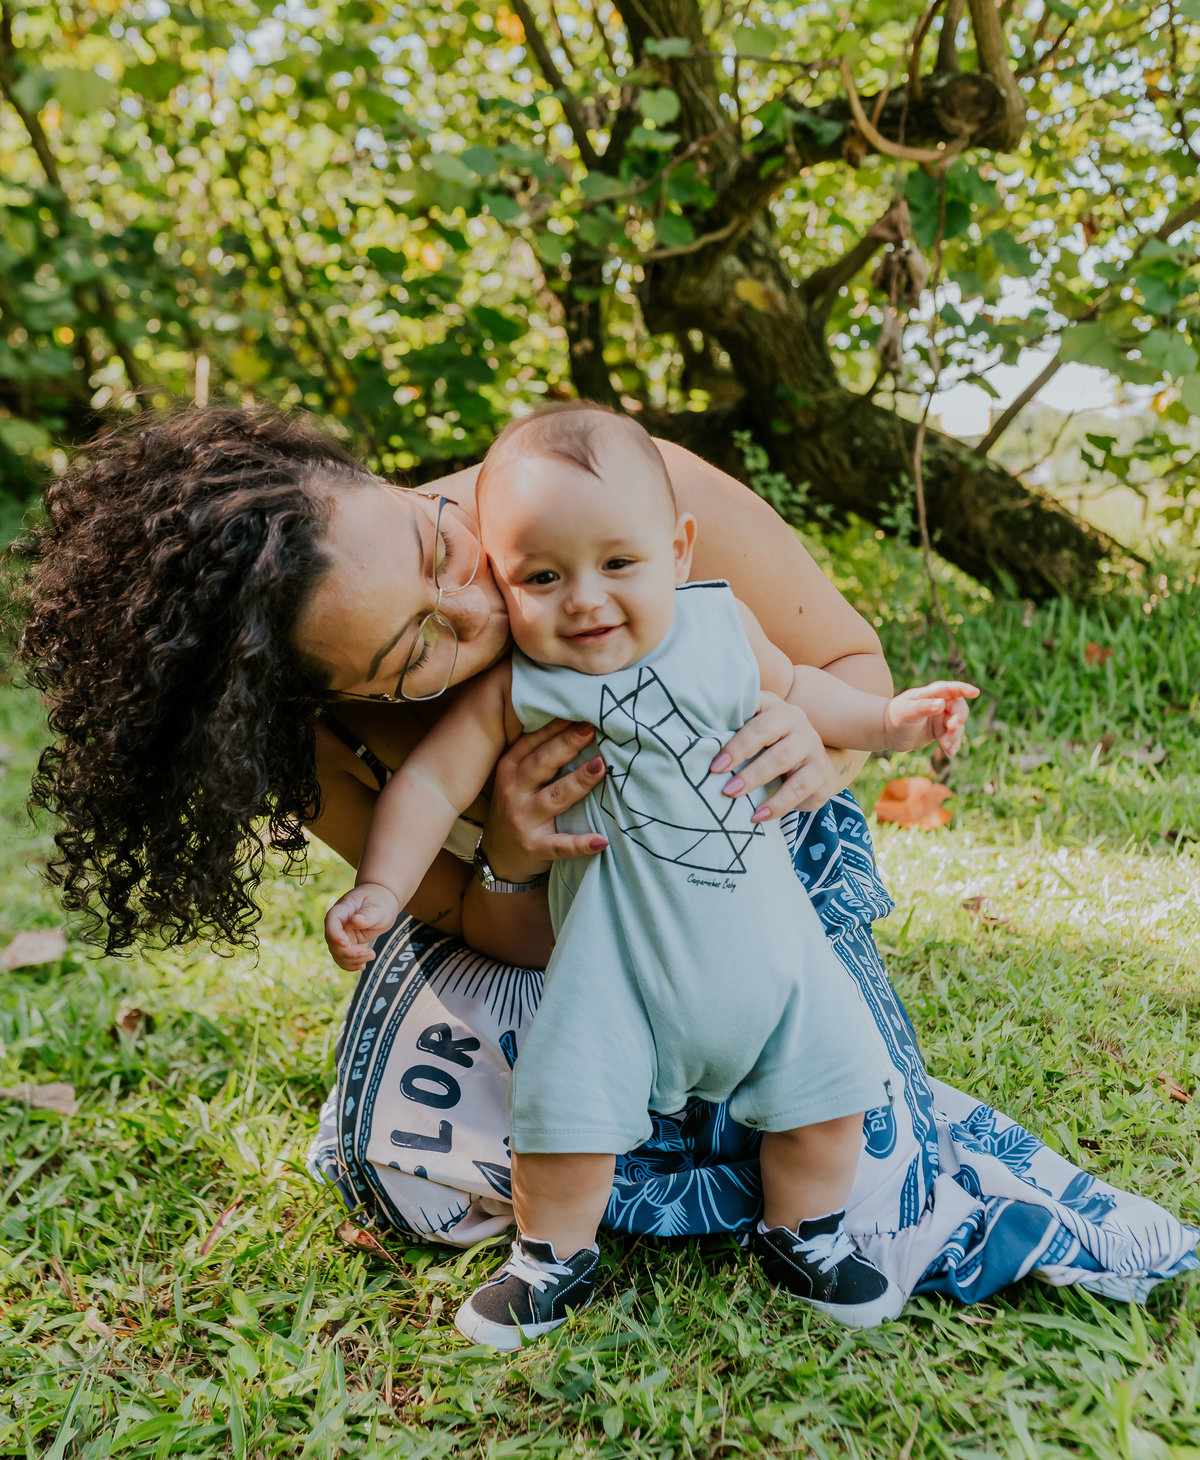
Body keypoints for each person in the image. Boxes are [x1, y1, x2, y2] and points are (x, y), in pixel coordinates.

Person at [11, 406, 1197, 1322]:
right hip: (560, 933)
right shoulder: (326, 747)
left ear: (376, 479)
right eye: (413, 649)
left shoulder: (598, 497)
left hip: (750, 870)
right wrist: (520, 856)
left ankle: (763, 1166)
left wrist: (822, 752)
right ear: (333, 696)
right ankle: (612, 1196)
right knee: (418, 1162)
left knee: (853, 1145)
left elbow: (846, 663)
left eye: (436, 540)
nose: (473, 601)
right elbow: (467, 919)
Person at [324, 406, 979, 1345]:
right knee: (564, 1116)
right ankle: (552, 1258)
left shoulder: (720, 623)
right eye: (543, 579)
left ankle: (805, 1236)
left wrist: (890, 721)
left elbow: (802, 689)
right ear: (507, 584)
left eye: (618, 566)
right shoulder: (519, 690)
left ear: (678, 550)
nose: (584, 600)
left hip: (773, 955)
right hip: (613, 970)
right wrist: (382, 891)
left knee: (832, 1094)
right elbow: (429, 785)